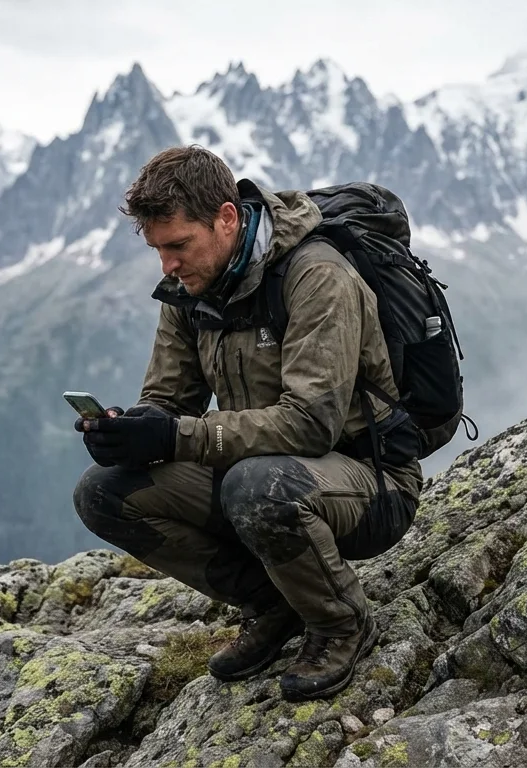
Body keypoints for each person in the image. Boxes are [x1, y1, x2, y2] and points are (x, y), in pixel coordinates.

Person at [71, 145, 423, 702]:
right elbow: (168, 400)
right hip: (258, 472)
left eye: (178, 245)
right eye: (158, 250)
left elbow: (310, 425)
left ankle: (340, 623)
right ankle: (273, 603)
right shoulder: (189, 289)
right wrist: (130, 432)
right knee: (104, 492)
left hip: (369, 483)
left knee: (257, 486)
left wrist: (175, 436)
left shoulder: (317, 276)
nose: (167, 265)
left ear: (227, 218)